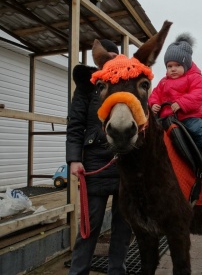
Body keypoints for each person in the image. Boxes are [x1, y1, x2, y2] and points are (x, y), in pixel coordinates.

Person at [66, 39, 132, 275]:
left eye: (115, 56)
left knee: (124, 226)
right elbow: (75, 125)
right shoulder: (87, 87)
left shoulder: (128, 84)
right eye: (107, 57)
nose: (111, 61)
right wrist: (74, 159)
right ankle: (78, 271)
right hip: (95, 163)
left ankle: (117, 270)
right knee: (89, 226)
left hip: (125, 164)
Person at [148, 34, 202, 172]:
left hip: (188, 116)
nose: (173, 69)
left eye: (177, 65)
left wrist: (181, 103)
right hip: (166, 119)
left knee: (198, 129)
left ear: (186, 65)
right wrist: (154, 104)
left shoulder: (193, 78)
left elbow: (199, 93)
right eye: (169, 66)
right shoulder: (163, 82)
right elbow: (154, 95)